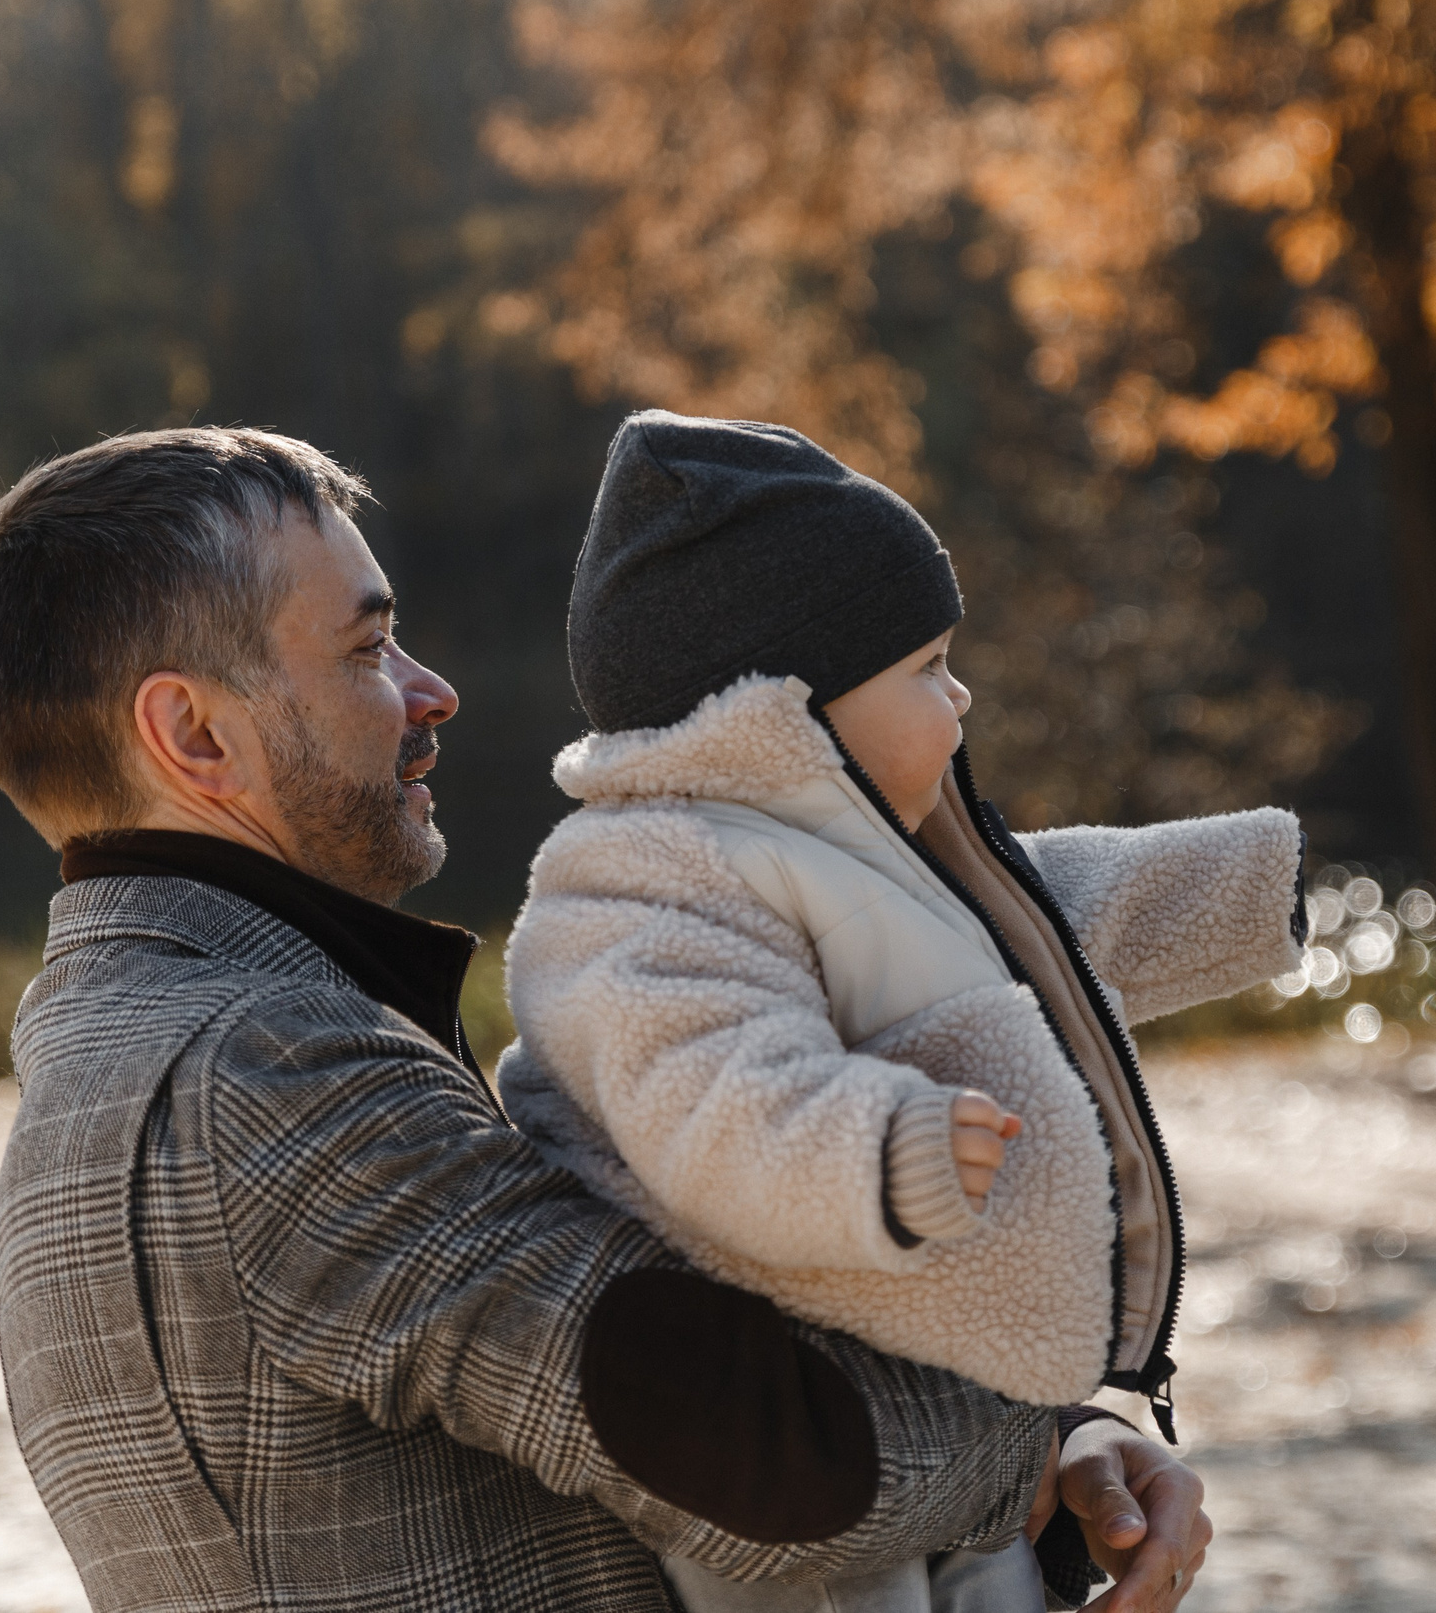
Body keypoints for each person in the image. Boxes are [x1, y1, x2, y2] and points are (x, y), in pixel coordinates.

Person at [0, 425, 1214, 1613]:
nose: (431, 692)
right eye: (366, 649)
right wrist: (1034, 1420)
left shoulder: (108, 1055)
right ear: (194, 735)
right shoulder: (264, 1074)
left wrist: (1060, 1451)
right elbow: (778, 1468)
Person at [498, 412, 1305, 1613]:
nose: (962, 692)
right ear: (781, 711)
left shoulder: (878, 858)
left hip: (938, 1409)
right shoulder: (639, 878)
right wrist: (872, 1148)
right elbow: (695, 1080)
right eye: (927, 666)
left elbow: (1053, 920)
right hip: (788, 1448)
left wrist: (1254, 890)